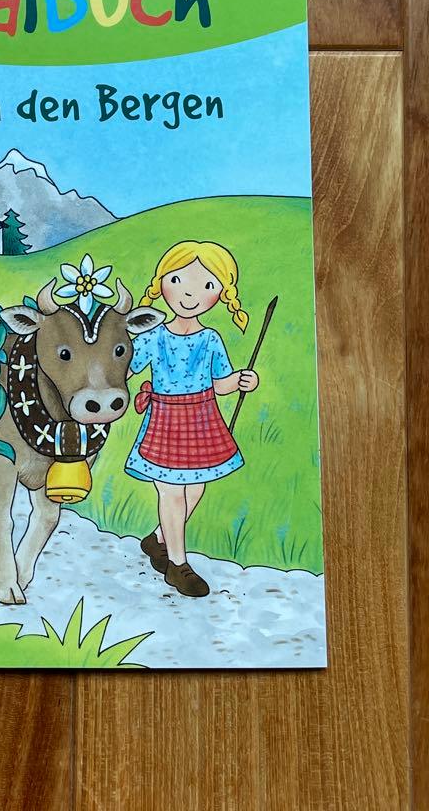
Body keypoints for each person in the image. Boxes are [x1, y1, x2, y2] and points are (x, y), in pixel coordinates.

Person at [126, 241, 258, 597]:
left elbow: (221, 383)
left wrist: (242, 380)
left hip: (201, 418)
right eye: (178, 280)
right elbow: (126, 368)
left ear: (221, 294)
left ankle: (157, 539)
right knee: (171, 492)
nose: (189, 293)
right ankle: (178, 566)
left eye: (207, 285)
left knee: (195, 489)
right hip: (165, 419)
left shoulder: (210, 339)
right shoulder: (152, 336)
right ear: (162, 282)